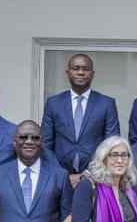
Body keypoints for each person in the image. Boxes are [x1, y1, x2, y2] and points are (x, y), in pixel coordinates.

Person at [42, 53, 120, 185]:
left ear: (92, 74)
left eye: (85, 69)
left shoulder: (106, 104)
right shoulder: (53, 103)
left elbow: (111, 145)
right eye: (76, 68)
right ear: (68, 73)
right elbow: (46, 145)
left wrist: (89, 174)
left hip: (96, 179)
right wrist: (62, 175)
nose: (81, 72)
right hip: (59, 178)